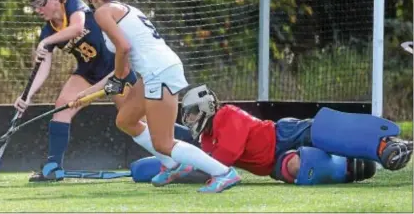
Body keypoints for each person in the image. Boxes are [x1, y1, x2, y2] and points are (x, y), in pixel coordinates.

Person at [73, 0, 241, 193]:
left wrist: (120, 77)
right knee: (126, 120)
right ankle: (174, 166)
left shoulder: (103, 12)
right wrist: (87, 94)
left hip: (158, 72)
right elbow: (123, 64)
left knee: (163, 142)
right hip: (156, 70)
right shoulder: (126, 10)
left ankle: (223, 172)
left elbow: (123, 49)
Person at [131, 84, 413, 185]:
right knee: (297, 169)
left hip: (284, 134)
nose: (190, 119)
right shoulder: (206, 139)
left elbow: (222, 161)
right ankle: (352, 167)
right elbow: (204, 163)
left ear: (206, 107)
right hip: (273, 165)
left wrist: (178, 170)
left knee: (323, 131)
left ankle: (386, 147)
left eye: (192, 113)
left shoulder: (229, 115)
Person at [13, 0, 137, 182]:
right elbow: (44, 67)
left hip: (116, 70)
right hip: (87, 73)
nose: (37, 9)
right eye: (33, 5)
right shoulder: (48, 30)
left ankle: (182, 147)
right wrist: (27, 96)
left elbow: (77, 28)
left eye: (39, 2)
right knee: (62, 106)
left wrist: (46, 41)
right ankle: (53, 167)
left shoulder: (73, 4)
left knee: (135, 120)